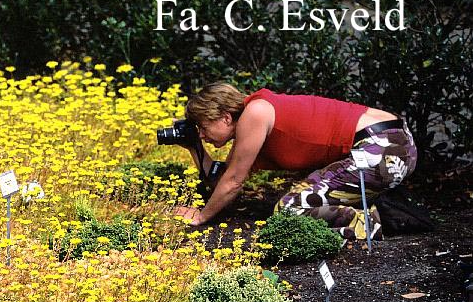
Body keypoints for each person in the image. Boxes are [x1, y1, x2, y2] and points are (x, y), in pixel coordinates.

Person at [173, 83, 418, 240]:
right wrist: (195, 148)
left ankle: (374, 220)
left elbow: (234, 182)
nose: (202, 135)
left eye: (203, 128)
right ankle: (379, 201)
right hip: (391, 145)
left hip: (385, 147)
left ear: (225, 118)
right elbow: (224, 181)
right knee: (293, 205)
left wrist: (201, 217)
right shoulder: (252, 126)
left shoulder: (255, 113)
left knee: (289, 208)